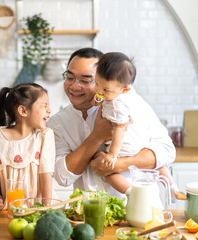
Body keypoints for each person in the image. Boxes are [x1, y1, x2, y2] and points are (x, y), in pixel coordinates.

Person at [47, 48, 175, 199]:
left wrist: (116, 164)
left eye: (87, 80)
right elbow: (62, 177)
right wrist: (97, 136)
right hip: (90, 214)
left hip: (141, 209)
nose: (75, 86)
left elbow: (167, 151)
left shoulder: (131, 104)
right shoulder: (57, 123)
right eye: (69, 77)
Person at [92, 52, 178, 197]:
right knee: (157, 164)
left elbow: (119, 129)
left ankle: (131, 192)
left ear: (124, 89)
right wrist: (101, 96)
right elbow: (106, 91)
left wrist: (112, 155)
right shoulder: (126, 91)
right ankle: (173, 187)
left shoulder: (117, 104)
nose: (99, 90)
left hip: (124, 147)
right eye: (97, 84)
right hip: (142, 145)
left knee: (107, 171)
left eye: (105, 90)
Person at [0, 83, 55, 208]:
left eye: (49, 105)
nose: (49, 110)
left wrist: (45, 210)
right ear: (23, 110)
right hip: (8, 213)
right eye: (44, 105)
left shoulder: (44, 136)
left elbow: (46, 175)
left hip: (38, 210)